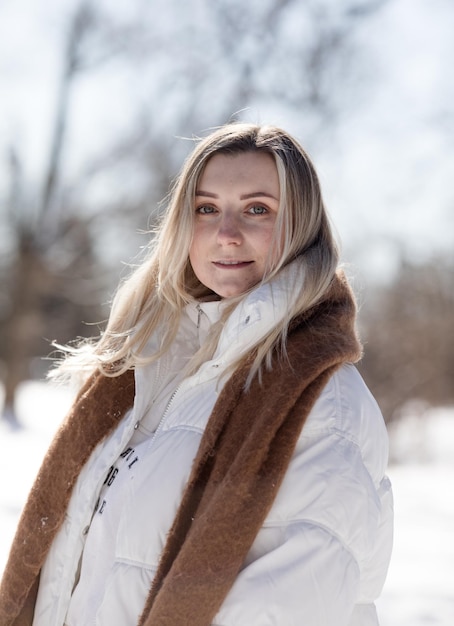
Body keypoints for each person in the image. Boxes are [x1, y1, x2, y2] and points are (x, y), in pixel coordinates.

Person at [0, 123, 393, 626]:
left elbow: (284, 608)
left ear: (301, 226)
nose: (226, 234)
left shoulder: (323, 402)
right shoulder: (142, 368)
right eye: (206, 208)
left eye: (258, 209)